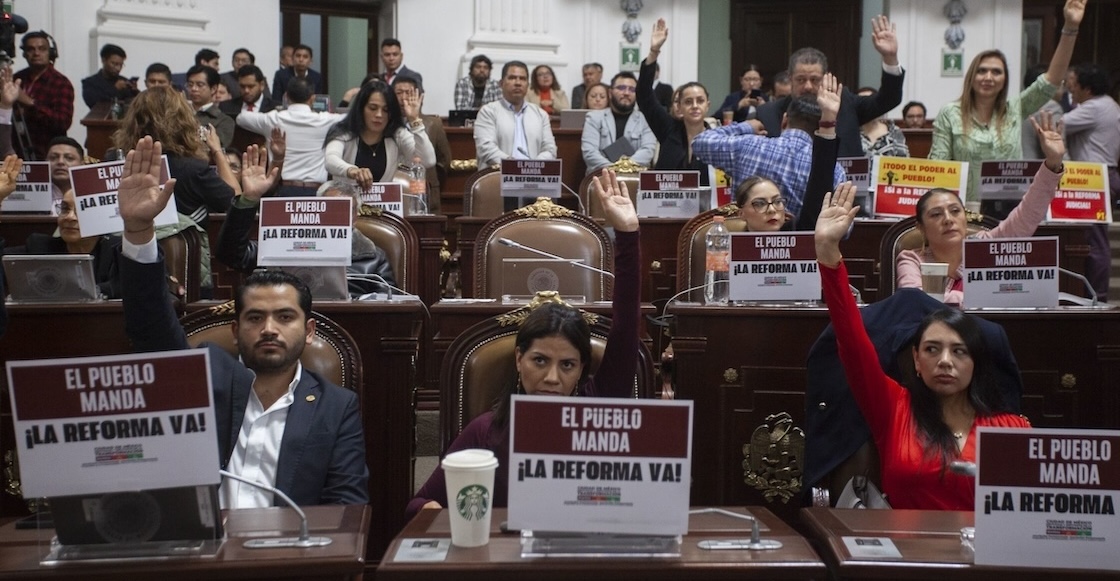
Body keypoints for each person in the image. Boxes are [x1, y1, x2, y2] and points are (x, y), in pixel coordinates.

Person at [115, 136, 370, 508]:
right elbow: (150, 330)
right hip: (203, 554)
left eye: (285, 317)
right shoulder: (205, 376)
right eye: (255, 317)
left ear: (309, 331)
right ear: (235, 331)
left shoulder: (335, 406)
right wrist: (138, 231)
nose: (269, 328)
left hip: (286, 557)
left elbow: (347, 506)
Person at [406, 169, 641, 519]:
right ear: (519, 359)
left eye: (567, 365)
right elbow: (417, 505)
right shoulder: (486, 431)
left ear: (582, 369)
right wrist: (437, 513)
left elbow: (625, 326)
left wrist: (627, 234)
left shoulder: (599, 406)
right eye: (540, 361)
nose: (551, 378)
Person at [814, 179, 1030, 511]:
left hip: (981, 558)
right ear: (915, 359)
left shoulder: (1010, 428)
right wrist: (829, 255)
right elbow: (852, 342)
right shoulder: (892, 408)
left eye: (959, 351)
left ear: (977, 362)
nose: (945, 361)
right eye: (932, 349)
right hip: (905, 554)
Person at [897, 112, 1067, 304]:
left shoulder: (985, 245)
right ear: (921, 227)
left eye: (955, 211)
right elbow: (915, 300)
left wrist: (1053, 163)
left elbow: (1027, 214)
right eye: (936, 214)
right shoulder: (911, 259)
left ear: (965, 217)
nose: (948, 219)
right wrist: (988, 296)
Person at [929, 0, 1085, 200]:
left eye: (996, 72)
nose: (988, 77)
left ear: (1004, 80)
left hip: (1009, 210)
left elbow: (1051, 81)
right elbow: (939, 169)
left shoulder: (1015, 108)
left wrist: (1070, 28)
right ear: (971, 77)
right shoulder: (950, 113)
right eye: (982, 71)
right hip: (964, 212)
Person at [216, 147, 397, 297]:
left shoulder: (373, 257)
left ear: (354, 218)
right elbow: (230, 254)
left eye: (342, 211)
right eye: (328, 209)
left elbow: (387, 303)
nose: (335, 219)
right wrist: (249, 199)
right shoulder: (285, 243)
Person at [752, 15, 902, 158]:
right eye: (800, 79)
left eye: (815, 79)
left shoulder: (846, 103)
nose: (808, 86)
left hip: (844, 183)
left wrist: (890, 58)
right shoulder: (768, 114)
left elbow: (889, 98)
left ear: (825, 78)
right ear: (790, 78)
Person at [692, 92, 846, 220]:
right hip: (802, 252)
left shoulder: (748, 146)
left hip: (742, 248)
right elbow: (843, 229)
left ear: (785, 120)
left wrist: (746, 126)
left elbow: (699, 142)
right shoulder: (834, 170)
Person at [735, 72, 846, 233]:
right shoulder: (727, 249)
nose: (772, 210)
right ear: (741, 213)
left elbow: (819, 180)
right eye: (760, 203)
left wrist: (828, 121)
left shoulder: (796, 231)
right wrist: (744, 125)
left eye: (778, 201)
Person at [1062, 62, 1119, 301]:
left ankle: (1097, 295)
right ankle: (1097, 294)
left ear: (1087, 88)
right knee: (1097, 241)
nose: (1071, 91)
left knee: (1094, 244)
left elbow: (1059, 122)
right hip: (1105, 176)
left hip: (1093, 179)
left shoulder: (1094, 107)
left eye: (1075, 86)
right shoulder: (1110, 105)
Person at [637, 19, 713, 186]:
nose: (694, 105)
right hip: (665, 207)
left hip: (705, 210)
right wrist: (654, 51)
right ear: (679, 106)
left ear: (708, 104)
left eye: (700, 101)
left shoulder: (718, 139)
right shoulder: (668, 129)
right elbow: (644, 97)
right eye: (688, 101)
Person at [8, 188, 123, 298]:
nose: (69, 217)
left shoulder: (117, 250)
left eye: (81, 210)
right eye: (65, 208)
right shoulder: (40, 246)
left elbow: (122, 286)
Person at [238, 77, 344, 196]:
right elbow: (351, 118)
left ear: (286, 97)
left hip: (284, 189)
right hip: (317, 191)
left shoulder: (273, 119)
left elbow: (241, 118)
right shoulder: (326, 120)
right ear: (313, 99)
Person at [324, 79, 435, 191]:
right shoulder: (344, 131)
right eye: (373, 108)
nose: (379, 115)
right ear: (361, 109)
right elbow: (331, 160)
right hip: (347, 204)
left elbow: (428, 161)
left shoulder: (397, 134)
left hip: (381, 207)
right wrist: (352, 171)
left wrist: (414, 120)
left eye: (385, 110)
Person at [473, 61, 556, 167]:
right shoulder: (488, 112)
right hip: (497, 177)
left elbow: (550, 149)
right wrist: (516, 167)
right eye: (512, 78)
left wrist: (533, 166)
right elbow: (486, 149)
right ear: (501, 83)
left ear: (528, 85)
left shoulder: (540, 114)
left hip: (534, 176)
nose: (518, 83)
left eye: (522, 79)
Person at [393, 76, 451, 211]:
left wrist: (431, 181)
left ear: (420, 97)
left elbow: (444, 160)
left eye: (409, 93)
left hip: (426, 190)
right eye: (399, 93)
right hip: (395, 191)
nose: (403, 98)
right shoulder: (386, 125)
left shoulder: (434, 124)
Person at [13, 31, 74, 160]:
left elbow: (62, 122)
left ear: (50, 53)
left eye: (42, 49)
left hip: (45, 153)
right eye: (31, 49)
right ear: (24, 54)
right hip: (15, 150)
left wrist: (31, 103)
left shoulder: (61, 82)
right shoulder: (17, 78)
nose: (36, 53)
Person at [581, 72, 656, 174]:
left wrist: (625, 169)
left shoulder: (645, 119)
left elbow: (647, 151)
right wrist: (614, 170)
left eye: (632, 89)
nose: (626, 93)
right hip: (601, 176)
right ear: (610, 93)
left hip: (635, 177)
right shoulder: (594, 118)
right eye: (621, 88)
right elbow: (589, 153)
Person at [185, 64, 235, 148]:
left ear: (213, 89)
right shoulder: (179, 112)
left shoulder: (224, 120)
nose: (193, 89)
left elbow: (217, 147)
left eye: (199, 85)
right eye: (190, 85)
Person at [81, 43, 138, 108]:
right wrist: (115, 89)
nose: (118, 68)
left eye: (121, 65)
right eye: (114, 64)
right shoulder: (90, 83)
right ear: (103, 60)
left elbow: (136, 104)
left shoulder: (124, 81)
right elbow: (94, 102)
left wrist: (135, 91)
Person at [856, 87, 909, 157]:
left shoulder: (893, 131)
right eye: (863, 103)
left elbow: (903, 160)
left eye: (869, 102)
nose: (866, 107)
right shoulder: (850, 131)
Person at [46, 136, 84, 215]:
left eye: (69, 158)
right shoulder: (33, 197)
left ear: (82, 164)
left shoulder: (90, 194)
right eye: (53, 158)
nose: (60, 162)